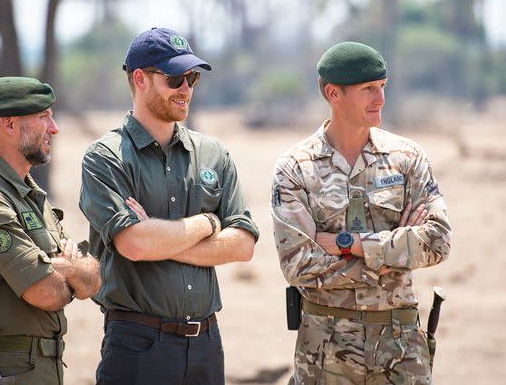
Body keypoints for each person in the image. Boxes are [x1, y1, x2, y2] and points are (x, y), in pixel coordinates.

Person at [79, 27, 260, 384]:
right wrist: (208, 224)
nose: (187, 89)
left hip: (207, 344)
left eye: (192, 78)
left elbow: (243, 245)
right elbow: (133, 243)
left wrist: (162, 242)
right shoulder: (105, 157)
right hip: (136, 344)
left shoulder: (213, 153)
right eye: (175, 78)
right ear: (140, 79)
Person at [271, 42, 452, 384]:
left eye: (382, 86)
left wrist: (349, 244)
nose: (380, 98)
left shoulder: (407, 158)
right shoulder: (295, 167)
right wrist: (392, 259)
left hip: (401, 348)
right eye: (368, 89)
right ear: (333, 93)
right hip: (324, 348)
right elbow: (299, 266)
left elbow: (439, 240)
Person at [0, 76, 101, 385]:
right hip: (2, 372)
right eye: (43, 116)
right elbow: (45, 292)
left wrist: (65, 268)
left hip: (40, 368)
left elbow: (92, 280)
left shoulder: (28, 193)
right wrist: (69, 268)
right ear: (10, 124)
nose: (53, 128)